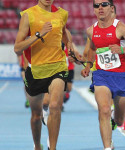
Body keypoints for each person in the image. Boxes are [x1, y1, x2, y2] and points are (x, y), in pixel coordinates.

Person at [81, 0, 125, 150]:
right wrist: (89, 65)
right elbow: (91, 48)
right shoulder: (91, 30)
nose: (100, 8)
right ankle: (107, 147)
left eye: (104, 4)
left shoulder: (121, 28)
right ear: (94, 10)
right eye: (96, 6)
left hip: (121, 76)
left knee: (120, 120)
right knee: (103, 109)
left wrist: (124, 54)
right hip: (101, 75)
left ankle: (113, 118)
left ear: (111, 8)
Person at [14, 0, 74, 150]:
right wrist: (39, 34)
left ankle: (52, 147)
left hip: (57, 66)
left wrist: (71, 47)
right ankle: (37, 145)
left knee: (55, 106)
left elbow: (64, 35)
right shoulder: (28, 15)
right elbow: (17, 48)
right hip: (36, 71)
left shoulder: (61, 14)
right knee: (36, 116)